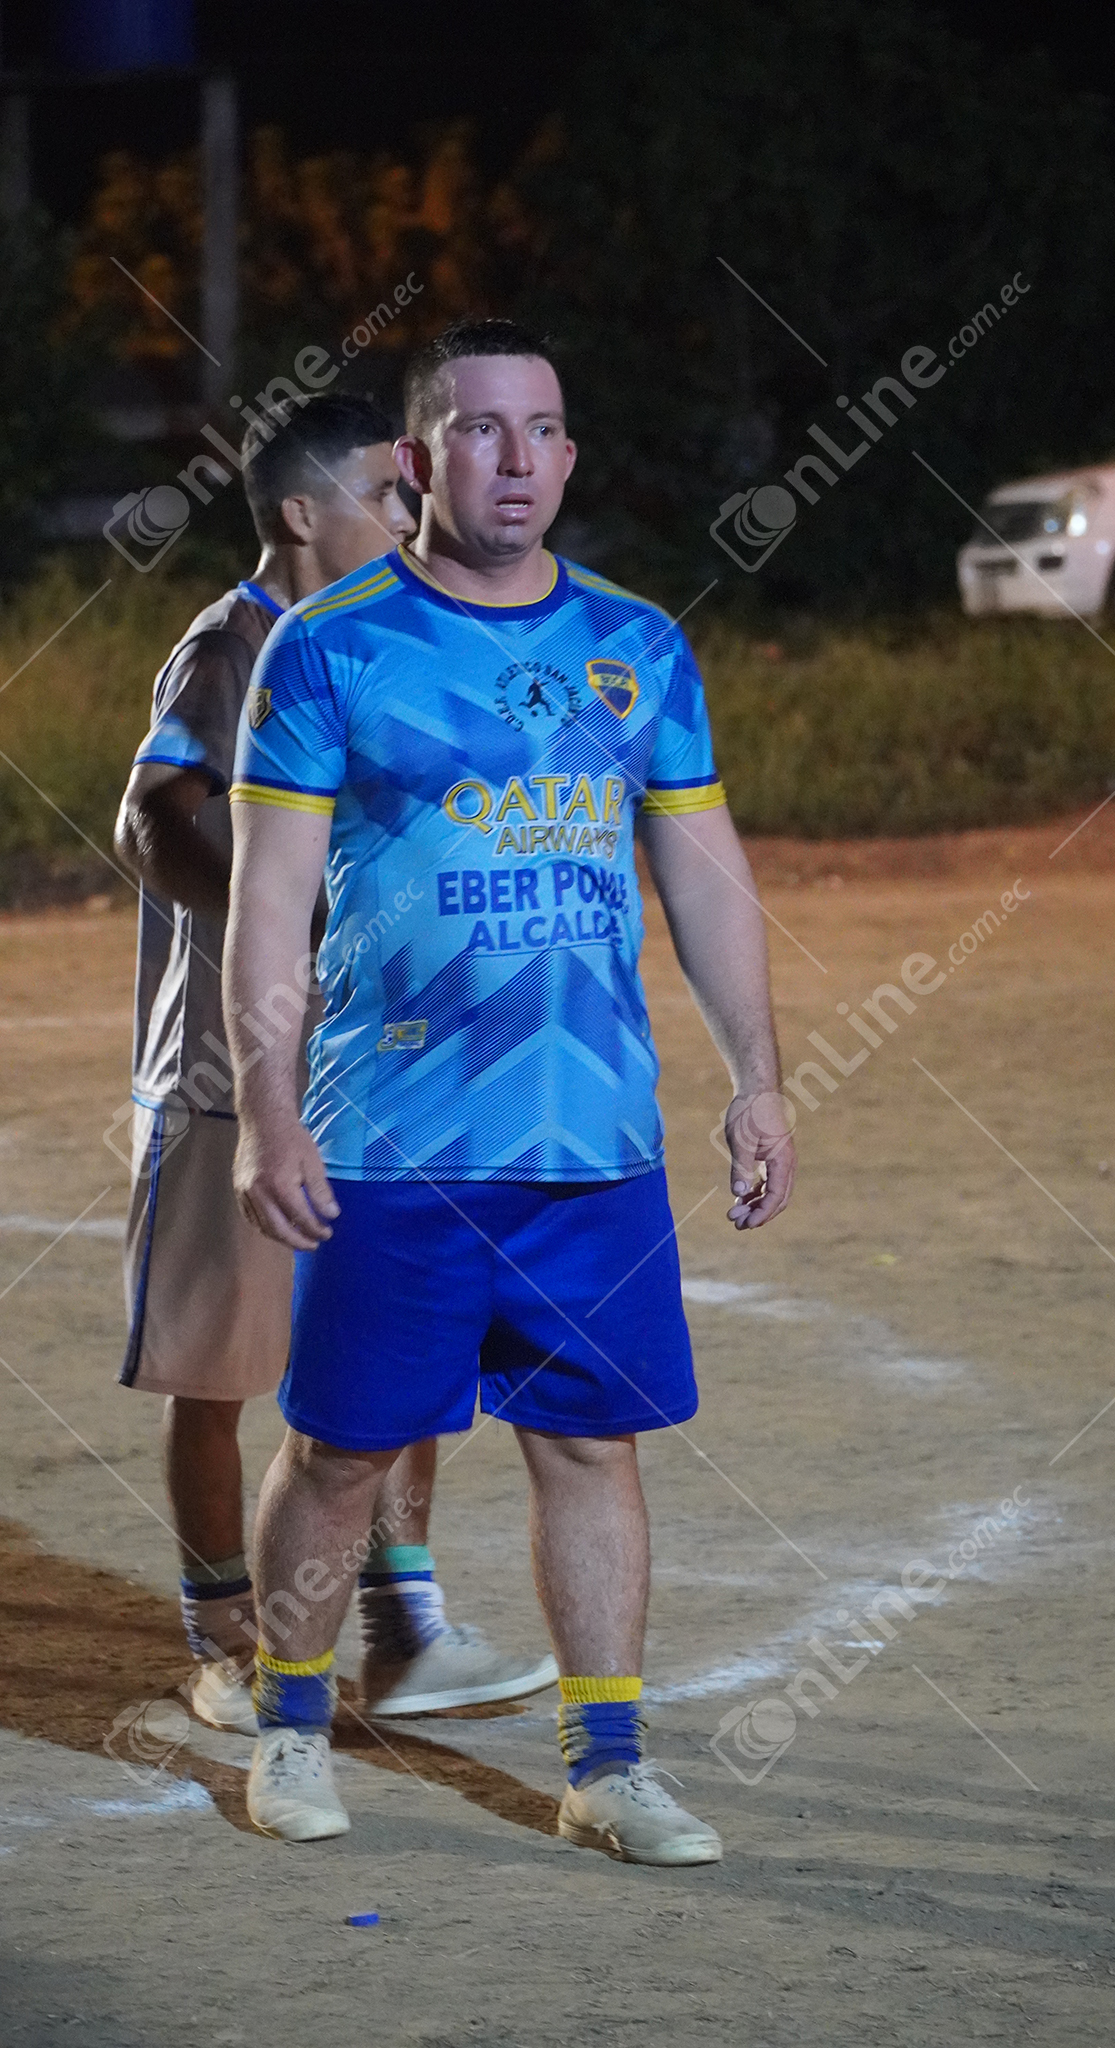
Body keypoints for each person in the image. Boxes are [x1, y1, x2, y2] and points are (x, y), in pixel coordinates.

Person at [224, 320, 796, 1862]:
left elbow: (707, 875)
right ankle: (289, 1725)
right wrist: (268, 1109)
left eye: (542, 430)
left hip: (591, 1141)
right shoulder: (328, 647)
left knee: (593, 1448)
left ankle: (605, 1768)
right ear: (420, 460)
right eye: (481, 430)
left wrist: (759, 1079)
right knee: (342, 1452)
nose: (517, 459)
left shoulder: (638, 646)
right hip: (392, 1139)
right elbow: (266, 911)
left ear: (571, 455)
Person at [114, 390, 557, 1739]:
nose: (413, 507)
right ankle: (224, 1636)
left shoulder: (389, 640)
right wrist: (305, 915)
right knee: (218, 1371)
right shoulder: (234, 641)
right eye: (387, 488)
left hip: (377, 1071)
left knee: (398, 1347)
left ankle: (401, 1628)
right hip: (226, 1077)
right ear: (303, 514)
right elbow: (152, 817)